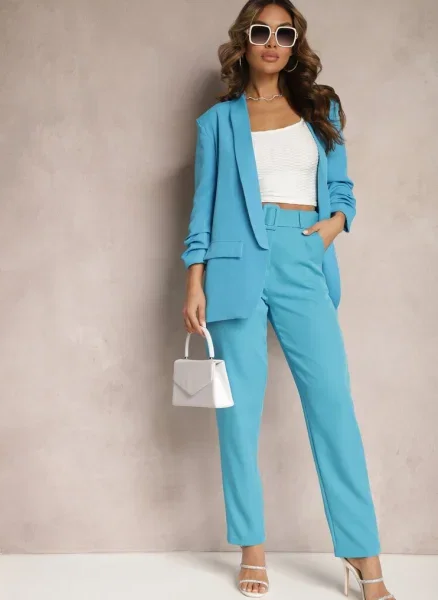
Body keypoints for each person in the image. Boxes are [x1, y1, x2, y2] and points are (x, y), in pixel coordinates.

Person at [181, 2, 395, 599]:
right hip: (234, 264)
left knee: (333, 408)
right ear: (244, 42)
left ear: (295, 43)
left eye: (284, 32)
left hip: (302, 256)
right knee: (238, 415)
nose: (272, 42)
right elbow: (202, 210)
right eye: (261, 32)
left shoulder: (321, 109)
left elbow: (342, 190)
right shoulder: (217, 122)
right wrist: (194, 281)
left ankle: (362, 554)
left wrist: (330, 228)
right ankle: (252, 548)